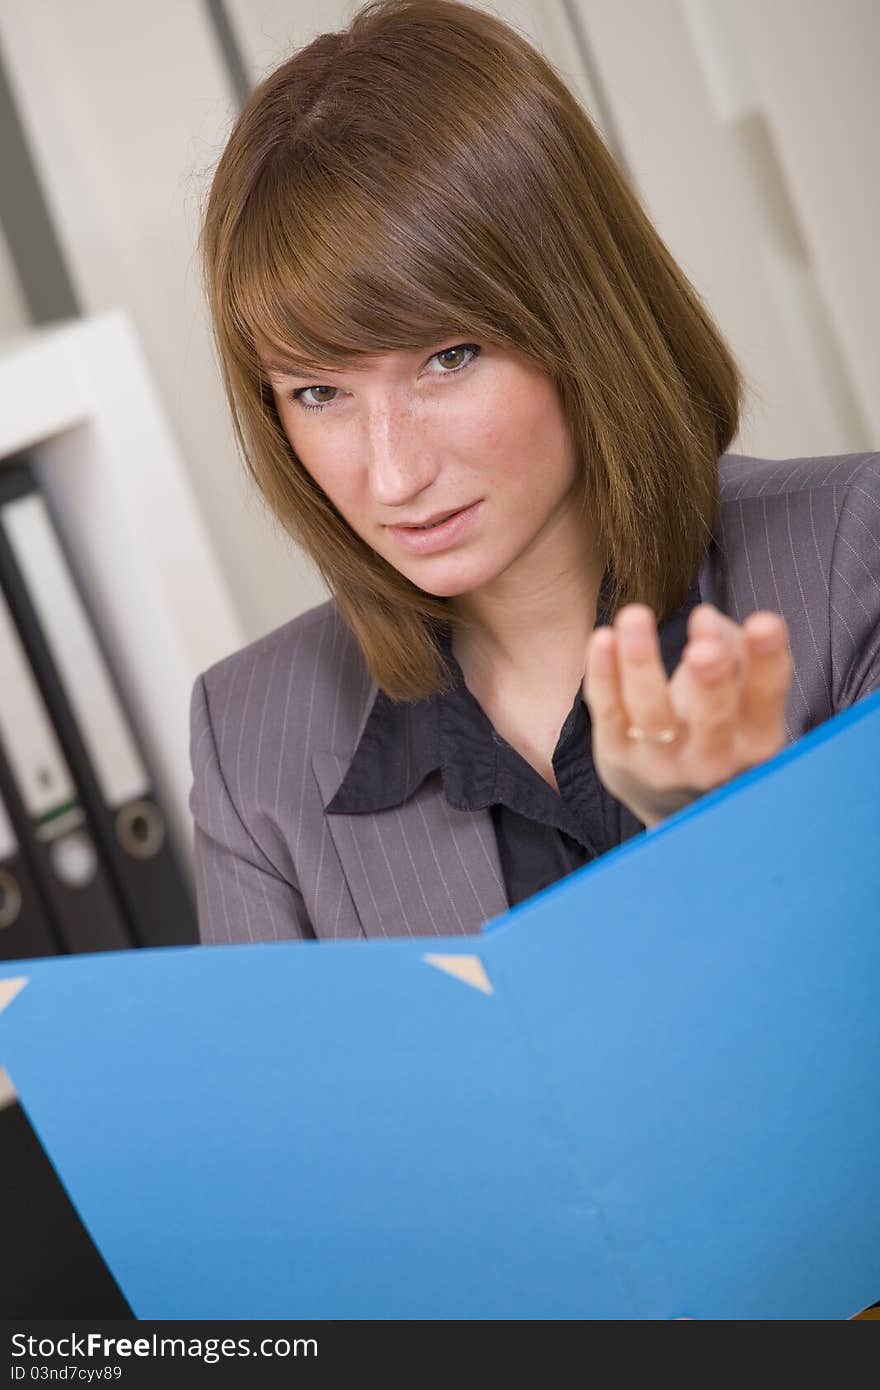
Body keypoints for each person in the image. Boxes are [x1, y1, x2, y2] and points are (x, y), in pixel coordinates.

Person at [189, 0, 879, 945]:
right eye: (318, 393)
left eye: (449, 356)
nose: (392, 476)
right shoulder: (250, 738)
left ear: (577, 318)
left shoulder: (851, 562)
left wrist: (719, 843)